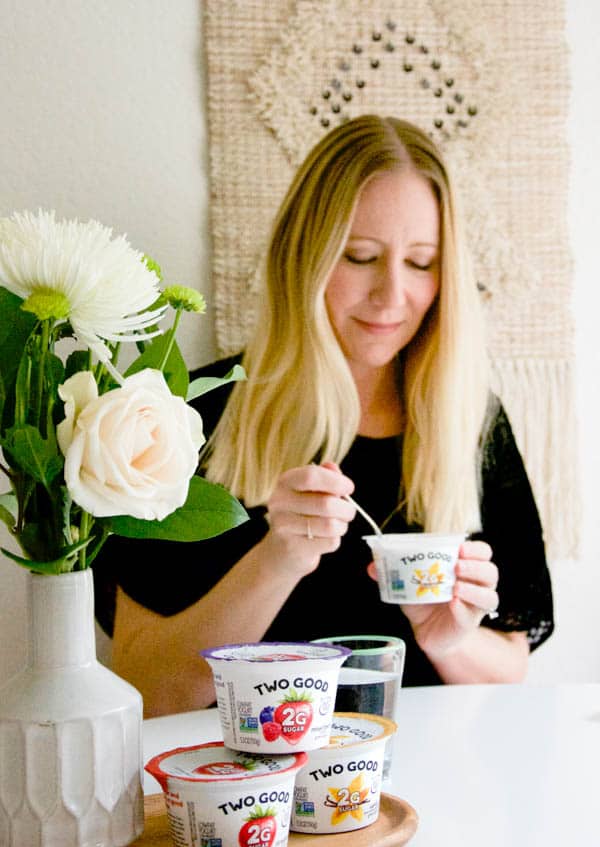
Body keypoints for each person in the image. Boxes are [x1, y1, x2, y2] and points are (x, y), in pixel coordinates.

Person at [94, 115, 553, 717]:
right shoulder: (193, 421)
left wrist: (452, 641)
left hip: (424, 791)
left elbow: (509, 669)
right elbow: (146, 691)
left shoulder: (470, 423)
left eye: (421, 262)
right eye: (360, 256)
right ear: (303, 257)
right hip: (249, 798)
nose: (393, 295)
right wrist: (275, 561)